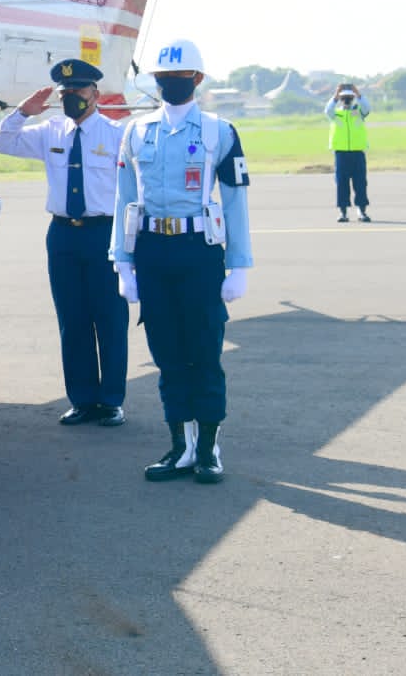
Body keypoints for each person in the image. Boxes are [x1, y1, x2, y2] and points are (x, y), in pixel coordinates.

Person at [110, 38, 253, 485]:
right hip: (153, 250)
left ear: (198, 79)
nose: (170, 85)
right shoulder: (136, 132)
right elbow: (125, 200)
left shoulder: (219, 132)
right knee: (167, 353)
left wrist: (240, 265)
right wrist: (123, 264)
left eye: (179, 77)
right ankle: (180, 446)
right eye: (163, 78)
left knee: (204, 351)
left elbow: (234, 202)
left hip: (199, 252)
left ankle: (209, 448)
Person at [0, 59, 129, 427]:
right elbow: (2, 142)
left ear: (95, 94)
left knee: (110, 319)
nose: (73, 98)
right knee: (73, 319)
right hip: (63, 234)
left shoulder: (117, 135)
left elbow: (134, 189)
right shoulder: (49, 131)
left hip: (104, 233)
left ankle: (112, 400)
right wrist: (23, 112)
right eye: (66, 92)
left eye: (79, 91)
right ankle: (83, 400)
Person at [325, 82, 372, 223]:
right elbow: (327, 110)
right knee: (342, 184)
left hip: (357, 153)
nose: (346, 100)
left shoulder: (359, 112)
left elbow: (367, 107)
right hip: (341, 154)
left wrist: (357, 93)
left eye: (349, 97)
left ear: (353, 98)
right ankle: (343, 212)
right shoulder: (336, 114)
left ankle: (361, 211)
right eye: (344, 97)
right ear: (340, 98)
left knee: (360, 183)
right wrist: (335, 95)